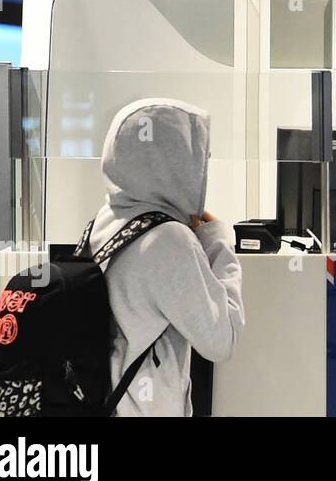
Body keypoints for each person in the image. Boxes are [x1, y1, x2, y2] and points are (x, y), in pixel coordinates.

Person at [86, 97, 244, 416]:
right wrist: (217, 241)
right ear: (172, 161)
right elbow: (222, 340)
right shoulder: (168, 239)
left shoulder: (107, 219)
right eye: (197, 155)